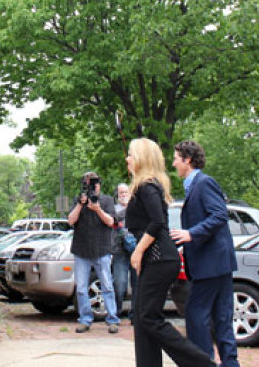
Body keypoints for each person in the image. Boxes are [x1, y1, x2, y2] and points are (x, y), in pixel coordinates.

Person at [125, 138, 215, 367]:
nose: (127, 159)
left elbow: (156, 223)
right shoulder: (144, 186)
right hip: (155, 259)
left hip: (159, 259)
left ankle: (202, 363)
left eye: (131, 155)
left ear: (142, 158)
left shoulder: (147, 186)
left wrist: (138, 250)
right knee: (142, 317)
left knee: (148, 317)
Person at [169, 140, 238, 367]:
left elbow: (219, 215)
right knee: (221, 319)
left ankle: (203, 361)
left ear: (187, 160)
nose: (173, 163)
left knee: (195, 314)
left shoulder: (204, 183)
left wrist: (191, 234)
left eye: (176, 158)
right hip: (217, 264)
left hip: (211, 264)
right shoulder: (194, 185)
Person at [67, 171, 120, 333]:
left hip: (102, 248)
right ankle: (85, 319)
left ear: (99, 185)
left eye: (94, 184)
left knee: (107, 286)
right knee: (81, 288)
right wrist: (80, 205)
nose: (91, 187)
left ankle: (112, 319)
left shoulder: (107, 201)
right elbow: (70, 221)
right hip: (81, 249)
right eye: (88, 184)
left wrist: (97, 209)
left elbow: (111, 221)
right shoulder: (78, 200)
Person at [111, 182, 136, 318]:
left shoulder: (136, 208)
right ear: (117, 195)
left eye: (126, 192)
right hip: (119, 250)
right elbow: (112, 221)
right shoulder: (114, 209)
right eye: (121, 193)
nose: (124, 195)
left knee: (137, 283)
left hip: (136, 250)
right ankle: (117, 311)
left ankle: (134, 314)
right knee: (120, 284)